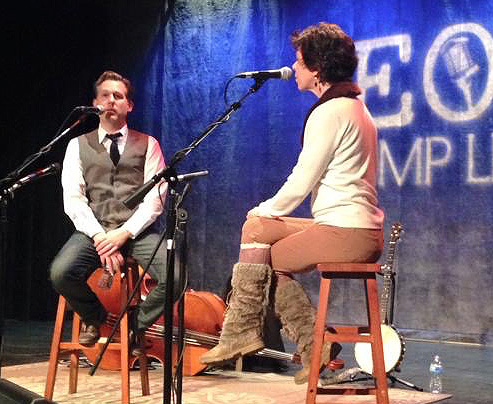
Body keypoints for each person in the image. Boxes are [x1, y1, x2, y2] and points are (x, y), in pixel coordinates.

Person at [200, 23, 384, 384]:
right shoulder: (354, 107)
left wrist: (266, 208)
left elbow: (303, 179)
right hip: (353, 227)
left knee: (261, 246)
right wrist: (262, 216)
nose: (294, 68)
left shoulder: (331, 112)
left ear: (317, 68)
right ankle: (291, 341)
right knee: (257, 231)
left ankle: (259, 334)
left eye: (299, 62)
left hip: (348, 231)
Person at [50, 71, 169, 350]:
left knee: (175, 276)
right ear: (95, 103)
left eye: (118, 96)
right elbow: (74, 199)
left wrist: (124, 234)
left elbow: (156, 198)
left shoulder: (149, 144)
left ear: (130, 105)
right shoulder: (77, 145)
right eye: (105, 95)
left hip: (137, 231)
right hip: (94, 229)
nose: (111, 100)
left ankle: (135, 325)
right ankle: (96, 318)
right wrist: (101, 237)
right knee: (61, 272)